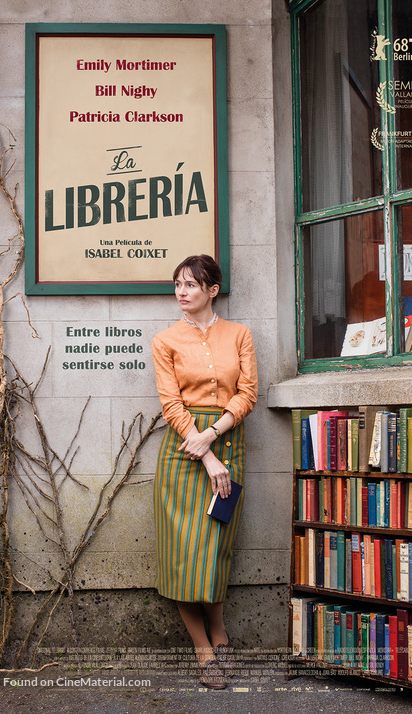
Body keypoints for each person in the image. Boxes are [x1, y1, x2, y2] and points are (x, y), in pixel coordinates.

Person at [151, 254, 258, 689]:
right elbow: (171, 403)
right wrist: (204, 451)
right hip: (183, 453)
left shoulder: (240, 335)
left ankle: (220, 632)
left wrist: (213, 434)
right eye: (177, 284)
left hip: (227, 441)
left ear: (212, 289)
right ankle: (203, 649)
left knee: (213, 551)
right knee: (181, 556)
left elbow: (248, 393)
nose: (181, 292)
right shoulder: (165, 341)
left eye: (191, 285)